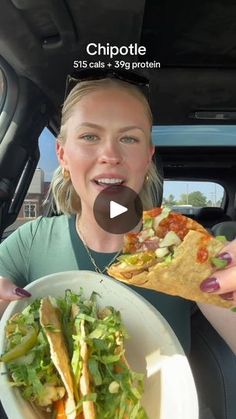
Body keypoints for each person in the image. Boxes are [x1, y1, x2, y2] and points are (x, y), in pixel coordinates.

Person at [0, 70, 236, 357]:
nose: (110, 154)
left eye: (129, 139)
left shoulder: (185, 248)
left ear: (148, 156)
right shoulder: (30, 242)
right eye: (89, 136)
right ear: (62, 154)